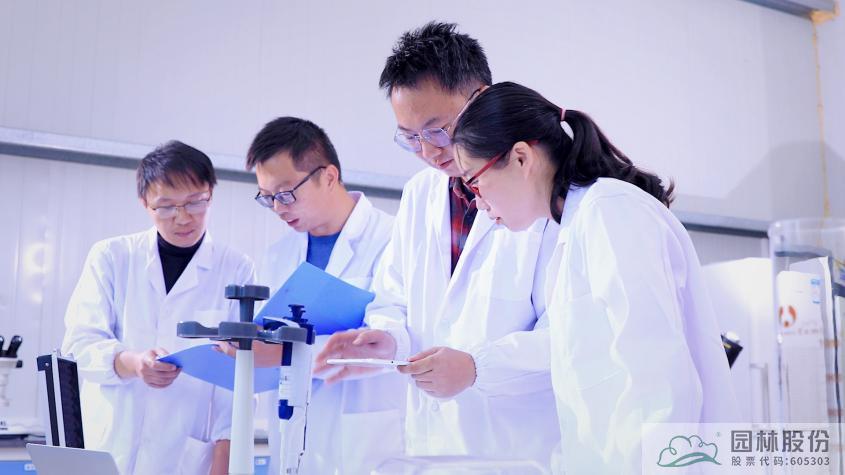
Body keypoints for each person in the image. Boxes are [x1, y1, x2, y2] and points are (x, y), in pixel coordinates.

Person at [450, 81, 740, 473]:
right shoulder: (574, 230)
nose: (477, 203)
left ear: (520, 158)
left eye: (473, 182)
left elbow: (659, 383)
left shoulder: (610, 211)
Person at [314, 22, 561, 468]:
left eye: (437, 130)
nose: (428, 152)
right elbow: (393, 297)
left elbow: (564, 333)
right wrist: (387, 339)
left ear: (481, 99)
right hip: (430, 444)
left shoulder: (539, 196)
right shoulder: (420, 195)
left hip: (517, 449)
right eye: (410, 138)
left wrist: (478, 367)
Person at [221, 117, 404, 474]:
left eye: (286, 193)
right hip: (291, 434)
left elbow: (394, 339)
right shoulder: (278, 256)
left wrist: (284, 353)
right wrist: (246, 350)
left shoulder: (393, 240)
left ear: (329, 177)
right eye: (268, 198)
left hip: (366, 438)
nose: (278, 207)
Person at [62, 141, 254, 475]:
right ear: (145, 203)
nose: (183, 217)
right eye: (166, 207)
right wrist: (132, 363)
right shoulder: (112, 257)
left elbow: (239, 374)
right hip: (111, 442)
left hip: (183, 453)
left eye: (195, 202)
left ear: (211, 194)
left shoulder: (236, 268)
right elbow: (78, 344)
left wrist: (224, 462)